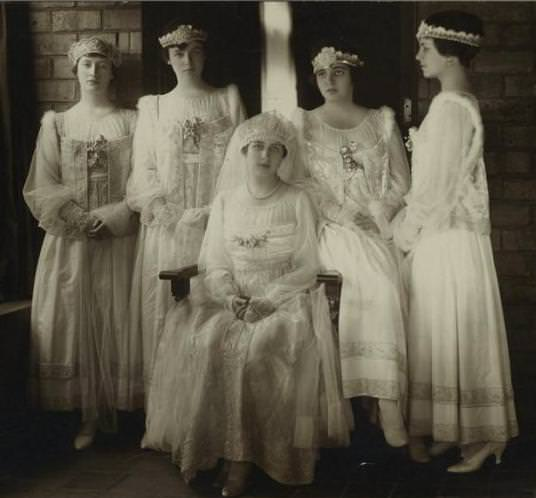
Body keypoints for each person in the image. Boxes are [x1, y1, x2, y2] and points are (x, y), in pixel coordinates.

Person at [142, 112, 352, 496]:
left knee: (261, 348)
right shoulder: (226, 201)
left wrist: (270, 300)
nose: (265, 155)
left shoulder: (297, 199)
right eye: (257, 146)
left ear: (284, 156)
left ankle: (250, 458)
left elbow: (308, 264)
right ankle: (221, 449)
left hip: (284, 300)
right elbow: (215, 261)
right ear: (243, 152)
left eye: (274, 149)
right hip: (231, 300)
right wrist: (228, 295)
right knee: (208, 343)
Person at [393, 11, 518, 471]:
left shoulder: (450, 107)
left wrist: (403, 233)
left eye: (425, 48)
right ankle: (453, 428)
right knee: (444, 333)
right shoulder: (460, 101)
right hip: (451, 236)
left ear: (449, 54)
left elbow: (436, 189)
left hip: (447, 239)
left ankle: (484, 436)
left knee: (454, 330)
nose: (419, 56)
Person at [23, 37, 139, 450]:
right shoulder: (57, 124)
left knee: (118, 317)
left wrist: (113, 217)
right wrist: (76, 218)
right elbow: (44, 182)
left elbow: (141, 177)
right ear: (74, 70)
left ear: (112, 70)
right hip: (72, 241)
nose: (94, 72)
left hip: (118, 238)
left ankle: (127, 410)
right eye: (87, 64)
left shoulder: (132, 121)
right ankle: (87, 416)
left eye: (101, 64)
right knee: (76, 318)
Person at [292, 44, 410, 447]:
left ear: (353, 75)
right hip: (332, 227)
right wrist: (342, 214)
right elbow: (302, 182)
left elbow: (401, 181)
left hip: (378, 225)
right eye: (321, 74)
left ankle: (385, 398)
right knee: (372, 282)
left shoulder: (380, 121)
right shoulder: (305, 123)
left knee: (393, 282)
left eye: (338, 72)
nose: (329, 80)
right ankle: (371, 397)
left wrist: (378, 210)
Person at [126, 22, 246, 396]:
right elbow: (144, 166)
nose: (187, 60)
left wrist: (214, 211)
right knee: (168, 310)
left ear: (205, 55)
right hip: (168, 228)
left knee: (214, 312)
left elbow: (241, 163)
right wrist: (166, 211)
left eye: (194, 51)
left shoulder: (227, 100)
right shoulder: (154, 106)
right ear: (167, 58)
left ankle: (212, 402)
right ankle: (168, 403)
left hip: (217, 226)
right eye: (178, 53)